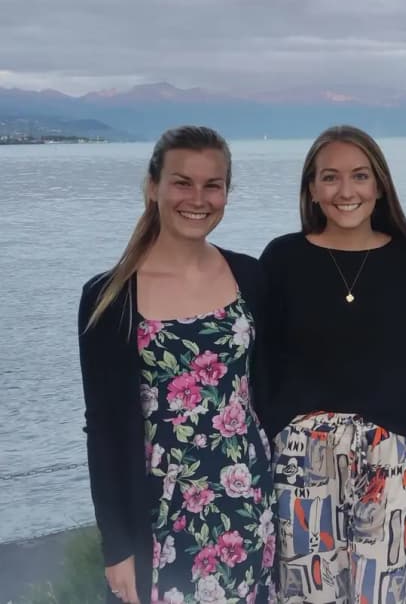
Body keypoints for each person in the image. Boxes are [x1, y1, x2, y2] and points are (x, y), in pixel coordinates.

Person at [78, 126, 276, 604]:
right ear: (153, 187)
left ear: (227, 192)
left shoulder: (250, 276)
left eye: (213, 185)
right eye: (182, 182)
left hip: (248, 506)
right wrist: (117, 547)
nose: (198, 198)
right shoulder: (108, 299)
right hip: (160, 521)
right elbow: (103, 429)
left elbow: (271, 387)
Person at [259, 125, 406, 604]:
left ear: (379, 185)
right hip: (302, 454)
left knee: (382, 595)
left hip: (391, 457)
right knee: (307, 596)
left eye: (359, 176)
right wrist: (281, 430)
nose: (346, 191)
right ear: (312, 189)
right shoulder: (282, 258)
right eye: (330, 177)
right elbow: (261, 360)